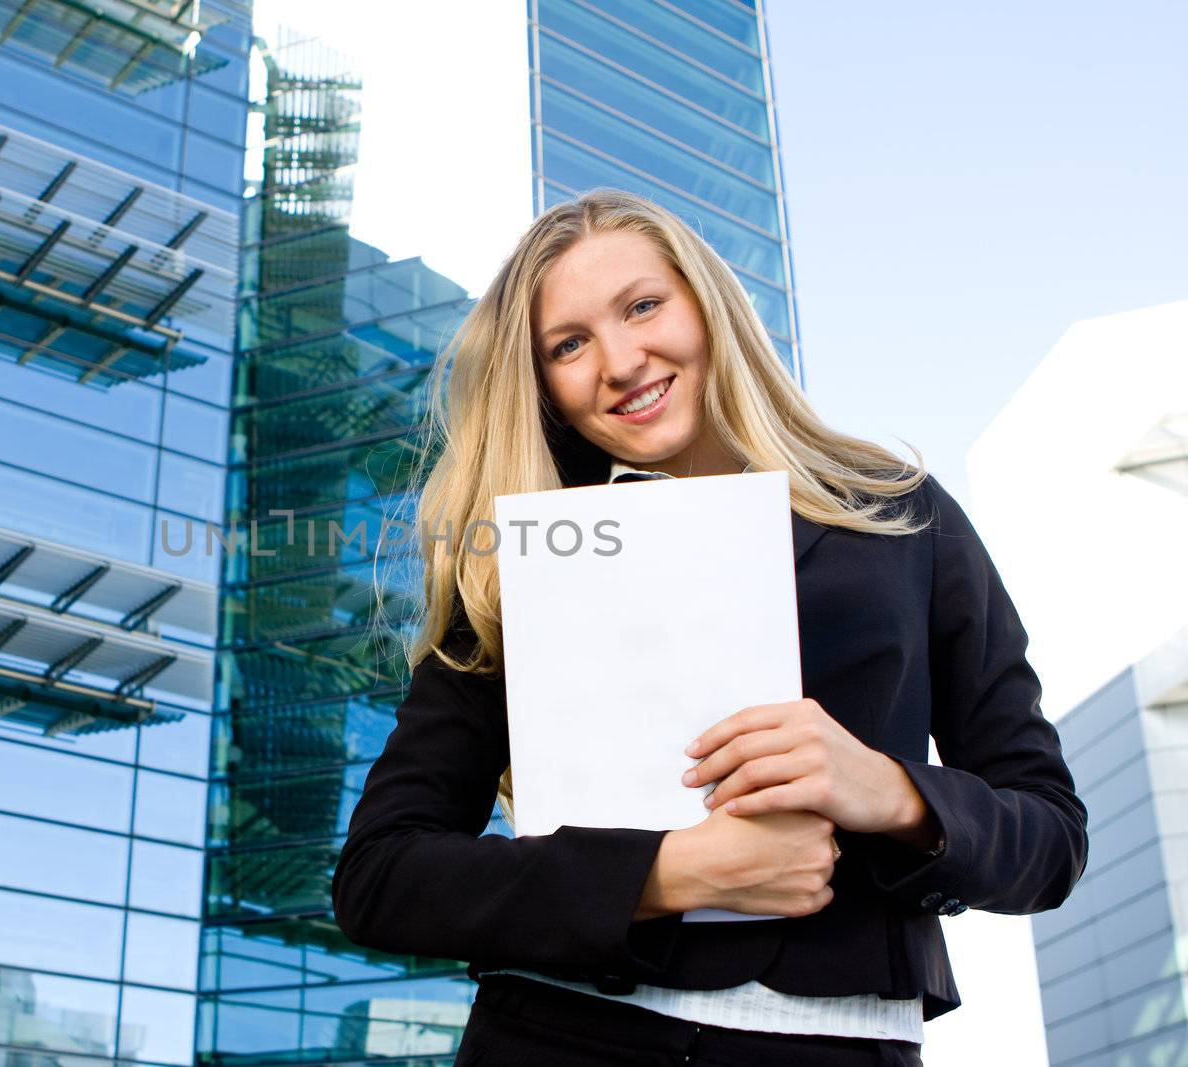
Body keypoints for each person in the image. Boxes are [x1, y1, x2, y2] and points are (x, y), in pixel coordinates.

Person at [330, 188, 1088, 1066]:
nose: (619, 359)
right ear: (542, 386)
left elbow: (1051, 839)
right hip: (556, 1036)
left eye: (643, 305)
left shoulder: (901, 516)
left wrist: (890, 791)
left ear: (706, 303)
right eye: (568, 345)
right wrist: (673, 872)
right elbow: (381, 876)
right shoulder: (520, 563)